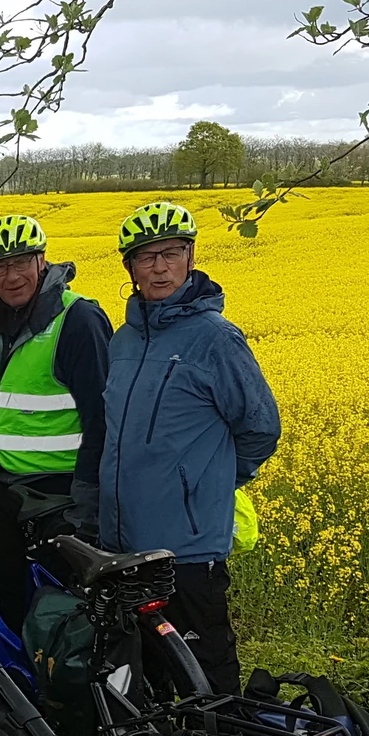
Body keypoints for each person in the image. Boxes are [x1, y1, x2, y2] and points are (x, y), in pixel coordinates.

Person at [98, 201, 280, 696]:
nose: (159, 268)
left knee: (206, 678)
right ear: (130, 268)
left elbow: (261, 428)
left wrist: (209, 483)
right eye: (146, 257)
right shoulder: (124, 341)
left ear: (191, 257)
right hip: (124, 545)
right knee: (144, 680)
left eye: (171, 253)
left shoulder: (215, 339)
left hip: (187, 548)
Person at [0, 212, 113, 631]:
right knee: (11, 603)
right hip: (6, 492)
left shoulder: (78, 320)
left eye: (21, 262)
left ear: (42, 260)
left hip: (61, 496)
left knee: (63, 615)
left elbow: (102, 422)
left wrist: (87, 508)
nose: (10, 277)